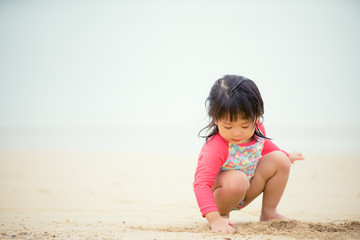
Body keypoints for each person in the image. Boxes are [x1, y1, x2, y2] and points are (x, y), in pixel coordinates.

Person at [193, 75, 304, 234]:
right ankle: (223, 215)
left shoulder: (257, 130)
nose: (237, 133)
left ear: (256, 116)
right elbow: (201, 184)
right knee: (238, 179)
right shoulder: (216, 147)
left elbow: (265, 147)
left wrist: (287, 155)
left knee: (280, 159)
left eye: (245, 125)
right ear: (216, 118)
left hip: (248, 187)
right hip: (223, 194)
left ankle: (269, 212)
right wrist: (214, 218)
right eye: (228, 126)